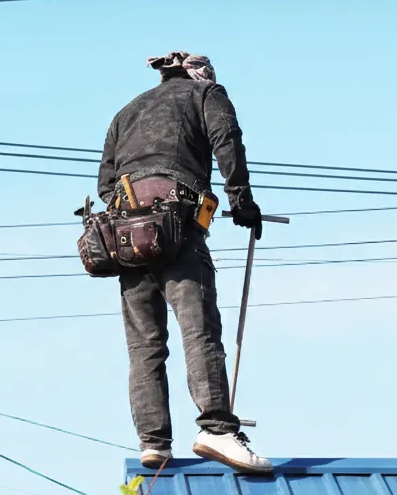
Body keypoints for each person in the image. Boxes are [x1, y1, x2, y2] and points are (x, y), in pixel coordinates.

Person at [97, 51, 271, 473]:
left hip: (125, 234)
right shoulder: (206, 93)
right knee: (199, 329)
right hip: (177, 226)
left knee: (144, 346)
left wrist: (137, 210)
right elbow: (227, 141)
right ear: (200, 74)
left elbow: (105, 184)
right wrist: (241, 202)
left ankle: (153, 444)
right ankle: (216, 429)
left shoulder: (126, 111)